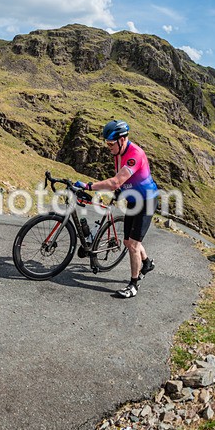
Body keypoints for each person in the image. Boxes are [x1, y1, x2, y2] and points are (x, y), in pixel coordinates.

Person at [74, 120, 158, 298]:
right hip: (133, 200)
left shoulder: (135, 154)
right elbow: (123, 178)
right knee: (127, 242)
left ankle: (133, 285)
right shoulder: (118, 153)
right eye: (107, 143)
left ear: (122, 139)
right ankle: (147, 263)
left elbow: (115, 182)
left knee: (133, 245)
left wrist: (89, 186)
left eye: (111, 143)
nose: (109, 147)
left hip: (147, 201)